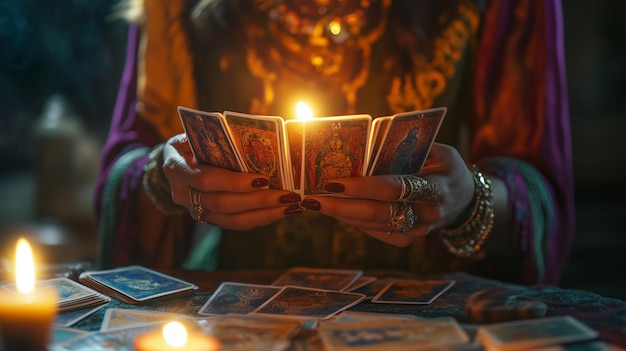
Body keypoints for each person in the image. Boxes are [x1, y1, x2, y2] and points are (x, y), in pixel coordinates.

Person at [95, 0, 574, 286]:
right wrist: (167, 176)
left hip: (426, 312)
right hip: (247, 311)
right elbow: (136, 162)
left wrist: (469, 201)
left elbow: (539, 189)